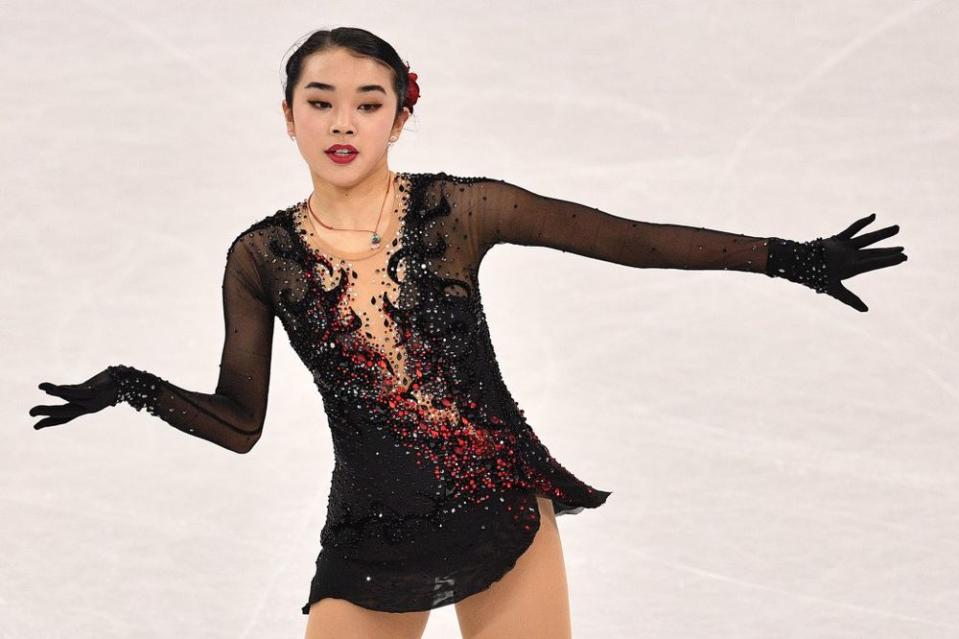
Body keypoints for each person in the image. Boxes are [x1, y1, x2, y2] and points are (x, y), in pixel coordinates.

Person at [28, 26, 908, 639]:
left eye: (367, 104)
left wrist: (785, 256)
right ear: (287, 112)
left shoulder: (457, 210)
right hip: (369, 527)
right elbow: (240, 423)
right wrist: (131, 386)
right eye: (321, 101)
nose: (343, 123)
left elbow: (622, 239)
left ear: (399, 116)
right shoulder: (260, 256)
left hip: (497, 504)